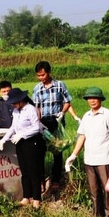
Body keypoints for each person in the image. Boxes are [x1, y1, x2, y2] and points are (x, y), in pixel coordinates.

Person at [65, 86, 109, 217]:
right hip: (89, 159)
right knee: (94, 190)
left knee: (108, 190)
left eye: (95, 98)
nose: (92, 100)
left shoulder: (107, 114)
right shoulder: (86, 116)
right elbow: (82, 137)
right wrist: (73, 155)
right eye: (89, 98)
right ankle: (97, 215)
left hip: (104, 158)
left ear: (100, 99)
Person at [0, 88, 46, 209]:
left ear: (21, 100)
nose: (12, 105)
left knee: (33, 171)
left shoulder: (30, 109)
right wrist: (4, 139)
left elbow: (36, 127)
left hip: (31, 142)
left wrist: (22, 134)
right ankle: (26, 197)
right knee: (24, 171)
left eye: (14, 102)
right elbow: (13, 127)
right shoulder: (16, 111)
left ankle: (36, 199)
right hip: (20, 143)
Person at [32, 61, 79, 189]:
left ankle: (56, 179)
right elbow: (36, 107)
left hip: (57, 121)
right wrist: (37, 122)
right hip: (43, 122)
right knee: (40, 152)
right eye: (39, 76)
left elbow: (67, 101)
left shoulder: (59, 85)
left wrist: (62, 113)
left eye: (43, 75)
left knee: (57, 151)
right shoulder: (37, 88)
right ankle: (41, 180)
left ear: (49, 72)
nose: (41, 78)